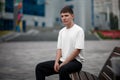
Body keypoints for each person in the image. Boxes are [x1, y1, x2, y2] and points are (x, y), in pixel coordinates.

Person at [35, 6, 85, 80]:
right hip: (62, 60)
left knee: (63, 69)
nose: (64, 18)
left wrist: (64, 63)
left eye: (66, 15)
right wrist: (56, 62)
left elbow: (77, 50)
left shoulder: (79, 30)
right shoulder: (61, 31)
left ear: (72, 16)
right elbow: (59, 49)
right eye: (62, 16)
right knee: (39, 67)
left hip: (76, 62)